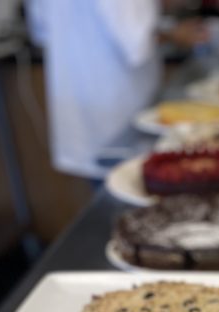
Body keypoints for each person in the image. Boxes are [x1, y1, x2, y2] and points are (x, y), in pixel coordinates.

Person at [28, 0, 207, 178]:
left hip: (84, 110)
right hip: (121, 121)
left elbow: (42, 31)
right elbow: (138, 43)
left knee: (107, 187)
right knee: (127, 186)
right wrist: (175, 35)